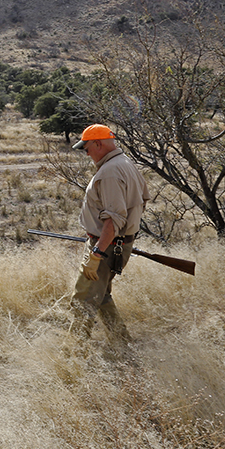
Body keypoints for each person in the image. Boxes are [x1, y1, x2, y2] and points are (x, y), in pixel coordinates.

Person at [70, 124, 150, 343]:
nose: (86, 153)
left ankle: (71, 357)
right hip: (116, 245)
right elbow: (142, 199)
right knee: (102, 296)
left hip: (105, 247)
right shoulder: (125, 164)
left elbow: (114, 219)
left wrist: (96, 255)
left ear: (98, 143)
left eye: (86, 148)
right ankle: (123, 343)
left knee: (83, 300)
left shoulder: (110, 172)